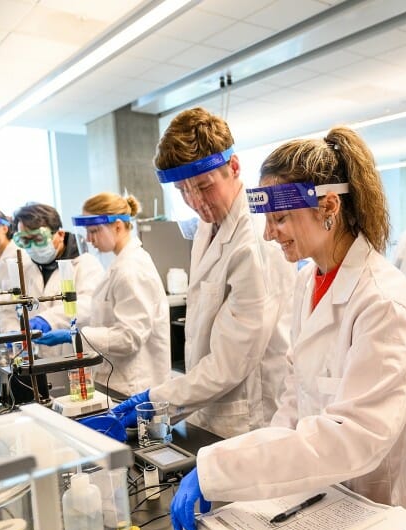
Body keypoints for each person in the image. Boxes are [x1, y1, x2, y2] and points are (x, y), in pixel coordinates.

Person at [168, 126, 406, 530]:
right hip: (325, 501)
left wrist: (221, 469)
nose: (268, 233)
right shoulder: (306, 282)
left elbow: (352, 439)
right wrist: (257, 483)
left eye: (280, 218)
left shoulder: (382, 302)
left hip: (386, 512)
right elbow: (293, 401)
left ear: (328, 206)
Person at [111, 107, 294, 438]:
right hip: (209, 408)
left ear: (234, 167)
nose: (195, 201)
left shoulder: (255, 241)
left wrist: (157, 399)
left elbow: (231, 361)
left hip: (249, 418)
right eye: (183, 190)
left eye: (204, 185)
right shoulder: (209, 226)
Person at [43, 192, 169, 396]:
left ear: (118, 226)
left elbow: (129, 338)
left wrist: (73, 336)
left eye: (94, 230)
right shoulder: (120, 264)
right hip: (120, 381)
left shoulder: (131, 269)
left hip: (134, 387)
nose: (89, 239)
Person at [12, 202, 103, 349]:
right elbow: (15, 307)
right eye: (25, 241)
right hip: (40, 355)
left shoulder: (85, 263)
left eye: (39, 239)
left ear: (60, 235)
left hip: (75, 354)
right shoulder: (27, 268)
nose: (33, 247)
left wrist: (47, 320)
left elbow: (89, 304)